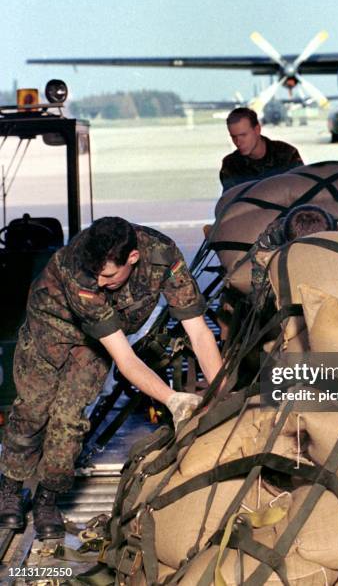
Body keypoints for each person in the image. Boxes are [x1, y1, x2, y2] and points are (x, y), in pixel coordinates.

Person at [0, 217, 224, 539]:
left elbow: (199, 332)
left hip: (95, 344)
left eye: (108, 275)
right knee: (33, 411)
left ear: (132, 258)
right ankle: (11, 486)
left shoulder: (163, 256)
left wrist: (219, 392)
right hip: (48, 330)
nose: (101, 283)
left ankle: (47, 498)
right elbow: (126, 359)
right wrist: (173, 400)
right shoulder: (81, 272)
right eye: (97, 276)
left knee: (68, 419)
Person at [219, 107, 303, 192]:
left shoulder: (287, 154)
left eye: (243, 135)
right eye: (234, 137)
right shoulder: (231, 164)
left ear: (257, 130)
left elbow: (302, 191)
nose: (238, 142)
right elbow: (231, 201)